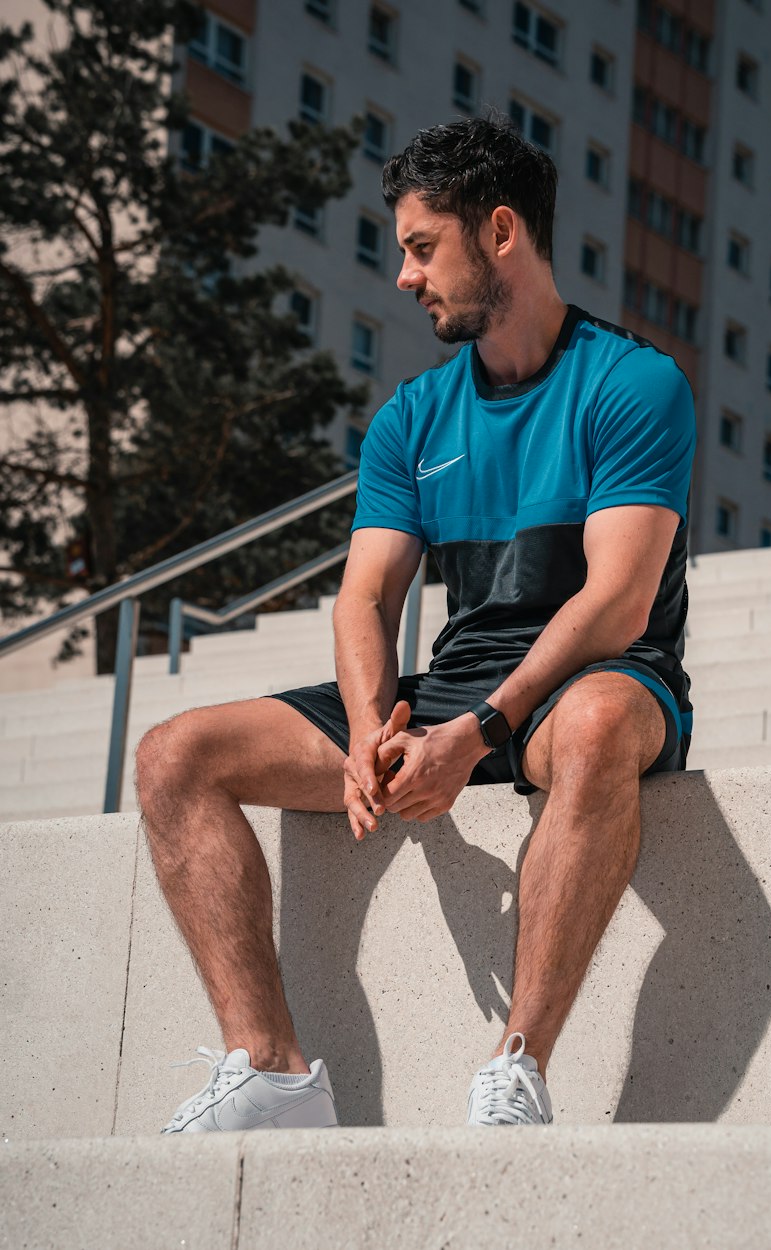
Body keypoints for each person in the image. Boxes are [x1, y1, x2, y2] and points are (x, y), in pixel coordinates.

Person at [137, 114, 696, 1133]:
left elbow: (616, 602)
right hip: (445, 694)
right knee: (177, 753)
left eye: (420, 246)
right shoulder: (411, 417)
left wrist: (477, 730)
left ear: (499, 233)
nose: (404, 276)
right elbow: (364, 596)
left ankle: (516, 1067)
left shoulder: (632, 383)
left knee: (596, 724)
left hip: (587, 680)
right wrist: (368, 729)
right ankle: (271, 1070)